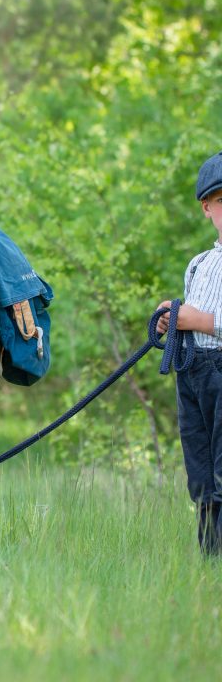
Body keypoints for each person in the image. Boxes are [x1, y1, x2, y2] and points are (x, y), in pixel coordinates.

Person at [157, 150, 222, 554]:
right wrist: (171, 320)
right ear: (207, 208)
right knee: (200, 472)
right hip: (194, 371)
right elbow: (190, 316)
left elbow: (203, 318)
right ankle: (210, 558)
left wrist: (196, 320)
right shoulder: (199, 264)